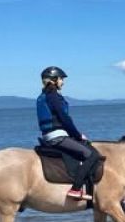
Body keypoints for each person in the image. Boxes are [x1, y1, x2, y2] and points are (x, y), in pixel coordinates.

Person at [36, 66, 94, 199]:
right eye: (61, 79)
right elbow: (64, 118)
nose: (63, 82)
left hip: (50, 135)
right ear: (54, 80)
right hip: (57, 136)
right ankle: (76, 189)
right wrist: (78, 135)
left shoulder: (44, 96)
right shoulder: (52, 96)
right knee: (90, 155)